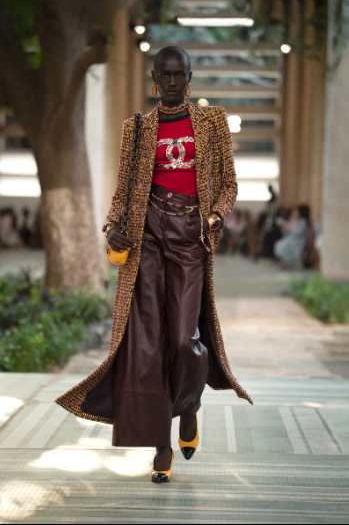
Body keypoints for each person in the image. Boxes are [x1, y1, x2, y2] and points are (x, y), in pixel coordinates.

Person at [56, 45, 252, 484]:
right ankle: (161, 446)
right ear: (153, 77)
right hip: (146, 236)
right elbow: (123, 189)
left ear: (189, 77)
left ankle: (189, 407)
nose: (171, 83)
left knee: (184, 339)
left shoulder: (211, 122)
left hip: (189, 236)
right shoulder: (138, 129)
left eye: (178, 75)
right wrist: (111, 228)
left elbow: (229, 183)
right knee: (148, 346)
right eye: (164, 75)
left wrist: (216, 216)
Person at [274, 205, 311, 269]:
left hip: (298, 240)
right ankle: (284, 262)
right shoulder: (293, 220)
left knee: (284, 246)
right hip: (290, 239)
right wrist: (285, 227)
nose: (294, 213)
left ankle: (288, 263)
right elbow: (286, 233)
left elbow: (297, 233)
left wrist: (289, 228)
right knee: (279, 245)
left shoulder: (302, 221)